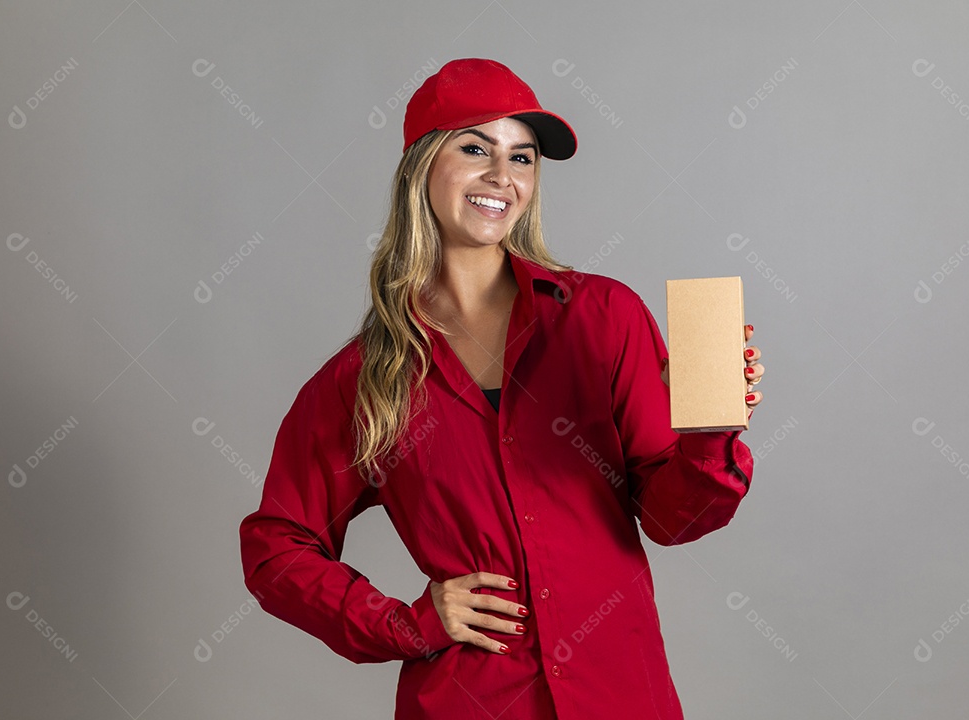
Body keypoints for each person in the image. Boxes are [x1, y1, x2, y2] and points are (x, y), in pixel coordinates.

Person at [238, 57, 764, 720]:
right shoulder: (368, 377)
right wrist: (406, 623)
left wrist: (708, 429)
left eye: (522, 159)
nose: (501, 177)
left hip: (620, 697)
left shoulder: (603, 318)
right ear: (422, 166)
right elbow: (276, 547)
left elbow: (671, 519)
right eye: (475, 148)